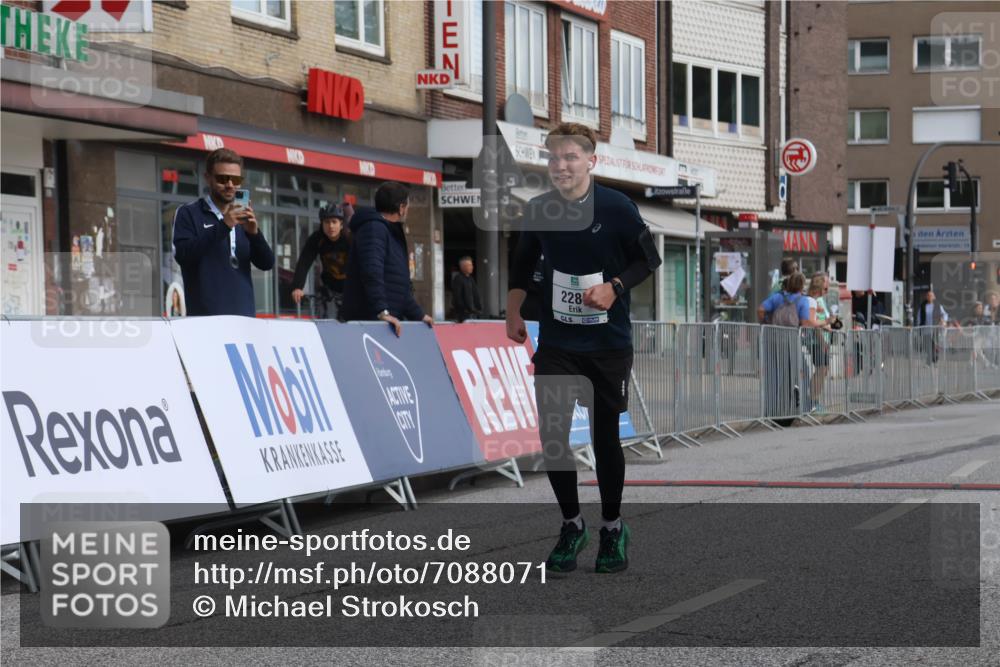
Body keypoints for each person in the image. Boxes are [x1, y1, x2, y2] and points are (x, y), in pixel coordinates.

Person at [506, 122, 661, 575]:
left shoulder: (615, 208)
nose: (561, 165)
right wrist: (514, 313)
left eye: (571, 157)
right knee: (553, 435)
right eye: (554, 158)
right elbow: (521, 267)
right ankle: (572, 525)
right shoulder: (539, 210)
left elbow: (645, 260)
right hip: (557, 340)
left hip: (607, 343)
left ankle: (612, 527)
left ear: (591, 161)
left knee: (603, 436)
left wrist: (614, 287)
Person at [172, 148, 274, 316]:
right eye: (222, 178)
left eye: (235, 179)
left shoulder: (243, 218)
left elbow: (267, 263)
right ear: (208, 178)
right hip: (205, 321)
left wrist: (254, 235)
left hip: (244, 320)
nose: (230, 185)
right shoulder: (188, 213)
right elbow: (183, 255)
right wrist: (224, 225)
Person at [340, 181, 433, 336]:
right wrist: (381, 311)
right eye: (407, 205)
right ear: (401, 208)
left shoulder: (390, 232)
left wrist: (419, 315)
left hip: (386, 324)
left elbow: (398, 286)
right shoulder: (374, 228)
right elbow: (372, 271)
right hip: (370, 324)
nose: (407, 210)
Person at [758, 272, 816, 423]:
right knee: (801, 370)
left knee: (775, 374)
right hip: (791, 341)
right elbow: (804, 322)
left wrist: (765, 323)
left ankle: (773, 410)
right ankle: (798, 404)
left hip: (774, 339)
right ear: (802, 286)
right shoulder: (802, 301)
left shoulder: (777, 298)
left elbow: (760, 309)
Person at [291, 203, 354, 320]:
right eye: (327, 222)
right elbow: (304, 262)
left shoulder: (349, 238)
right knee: (328, 319)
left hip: (351, 288)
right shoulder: (317, 239)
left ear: (341, 224)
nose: (330, 226)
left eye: (334, 222)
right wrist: (298, 287)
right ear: (322, 224)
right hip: (330, 289)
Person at [805, 273, 833, 411]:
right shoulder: (813, 300)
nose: (826, 291)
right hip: (816, 340)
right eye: (825, 288)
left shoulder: (819, 300)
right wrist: (822, 341)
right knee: (822, 368)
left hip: (821, 338)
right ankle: (812, 401)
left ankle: (814, 400)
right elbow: (814, 323)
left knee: (824, 369)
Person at [450, 256, 482, 322]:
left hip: (473, 313)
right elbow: (457, 297)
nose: (471, 267)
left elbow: (475, 294)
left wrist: (478, 308)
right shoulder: (458, 279)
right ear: (462, 267)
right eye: (469, 265)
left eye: (471, 265)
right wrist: (464, 310)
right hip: (463, 314)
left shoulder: (471, 279)